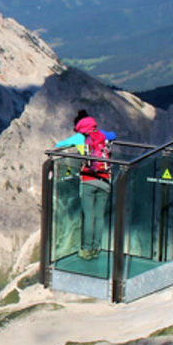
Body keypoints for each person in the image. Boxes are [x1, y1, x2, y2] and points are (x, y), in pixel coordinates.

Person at [55, 111, 116, 262]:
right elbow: (113, 135)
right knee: (99, 215)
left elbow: (58, 146)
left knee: (89, 216)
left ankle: (86, 250)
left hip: (88, 180)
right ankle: (97, 247)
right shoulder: (102, 134)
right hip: (105, 179)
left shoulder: (79, 138)